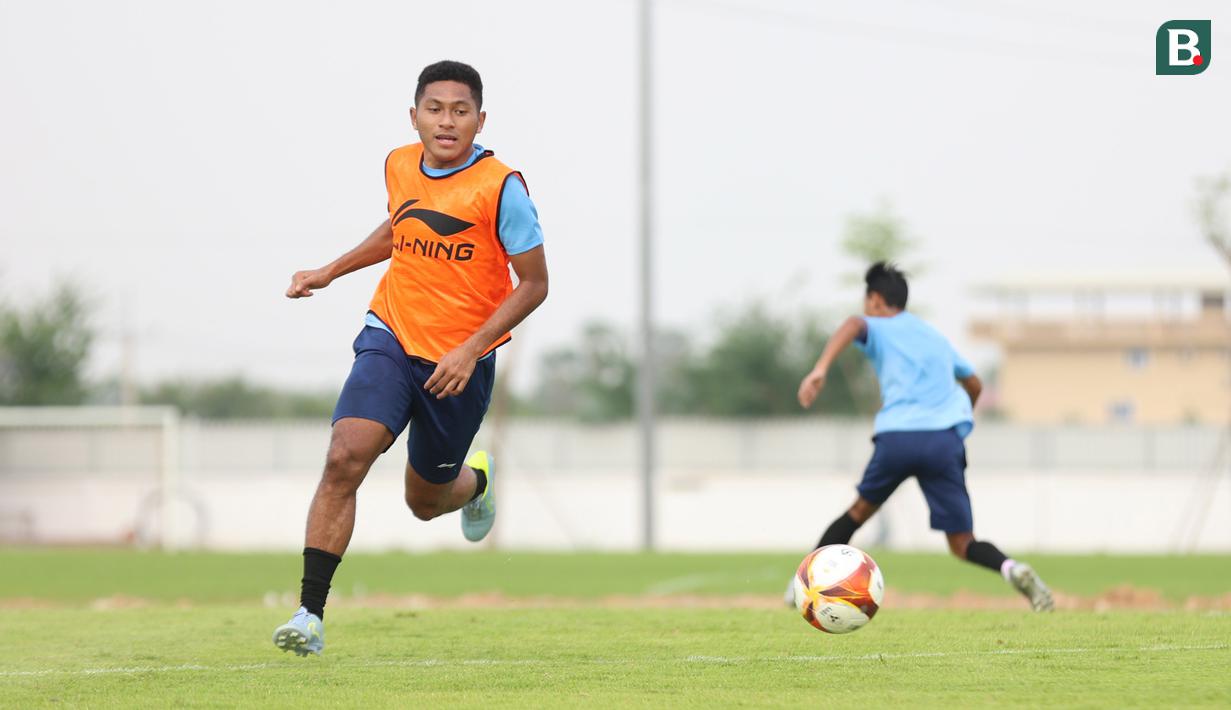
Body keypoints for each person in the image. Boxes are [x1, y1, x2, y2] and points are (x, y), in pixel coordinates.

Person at [273, 60, 549, 656]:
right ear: (414, 115)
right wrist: (329, 270)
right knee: (346, 454)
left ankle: (475, 484)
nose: (446, 122)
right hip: (391, 336)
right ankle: (309, 614)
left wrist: (471, 349)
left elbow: (534, 285)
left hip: (459, 366)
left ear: (480, 119)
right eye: (434, 109)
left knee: (424, 504)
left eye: (460, 111)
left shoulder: (502, 187)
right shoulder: (399, 163)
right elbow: (400, 227)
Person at [790, 262, 1052, 611]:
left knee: (857, 513)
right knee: (961, 543)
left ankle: (803, 588)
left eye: (866, 302)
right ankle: (1012, 568)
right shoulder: (935, 337)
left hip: (898, 438)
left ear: (876, 299)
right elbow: (974, 383)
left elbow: (853, 325)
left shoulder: (878, 325)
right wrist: (957, 418)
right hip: (943, 441)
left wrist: (820, 369)